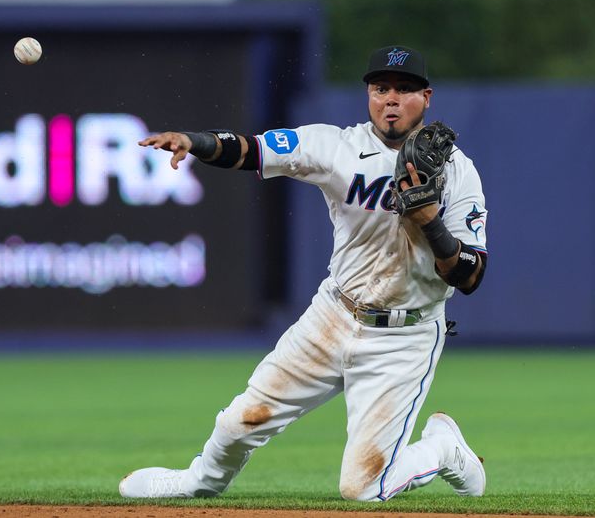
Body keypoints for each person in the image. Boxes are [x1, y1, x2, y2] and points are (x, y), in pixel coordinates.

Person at [119, 45, 488, 502]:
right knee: (239, 421)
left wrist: (431, 220)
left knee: (363, 488)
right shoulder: (335, 147)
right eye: (380, 88)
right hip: (333, 316)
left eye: (405, 89)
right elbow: (253, 150)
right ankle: (200, 481)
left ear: (426, 97)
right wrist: (193, 141)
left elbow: (470, 277)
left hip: (403, 337)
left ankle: (442, 448)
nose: (391, 99)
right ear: (368, 95)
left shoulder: (457, 173)